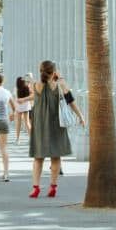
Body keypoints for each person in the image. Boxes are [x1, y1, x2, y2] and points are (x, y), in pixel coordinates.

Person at [28, 60, 84, 199]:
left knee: (38, 158)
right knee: (55, 156)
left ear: (40, 71)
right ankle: (53, 186)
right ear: (54, 72)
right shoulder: (60, 86)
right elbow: (71, 101)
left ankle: (36, 188)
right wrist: (81, 116)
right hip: (56, 124)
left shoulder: (34, 85)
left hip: (40, 125)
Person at [13, 76, 33, 144]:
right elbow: (32, 94)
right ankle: (31, 138)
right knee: (27, 122)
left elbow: (14, 97)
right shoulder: (27, 88)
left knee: (18, 123)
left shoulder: (15, 89)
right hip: (26, 107)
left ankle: (18, 139)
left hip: (19, 107)